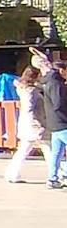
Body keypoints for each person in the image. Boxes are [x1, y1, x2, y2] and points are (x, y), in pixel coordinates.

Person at [5, 66, 49, 183]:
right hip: (35, 124)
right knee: (48, 148)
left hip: (26, 123)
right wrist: (37, 121)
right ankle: (58, 173)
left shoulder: (22, 88)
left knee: (24, 150)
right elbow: (30, 107)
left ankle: (12, 174)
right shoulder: (31, 91)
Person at [42, 60, 67, 188]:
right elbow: (59, 104)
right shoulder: (57, 84)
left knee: (56, 153)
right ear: (62, 70)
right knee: (56, 153)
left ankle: (53, 178)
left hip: (53, 123)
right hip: (62, 122)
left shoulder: (47, 83)